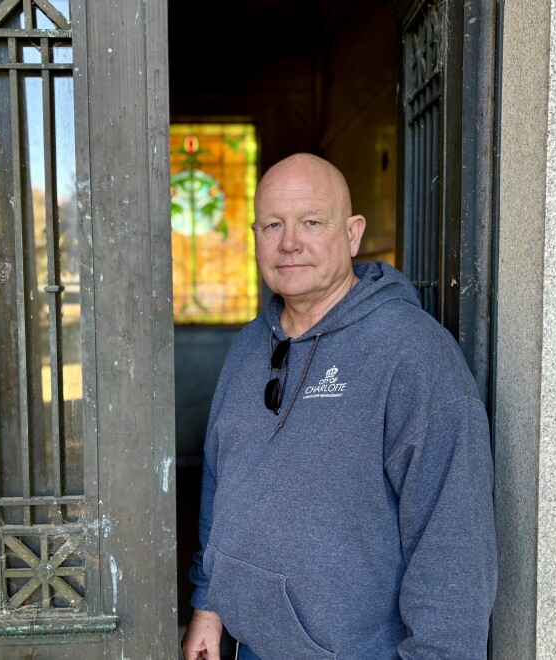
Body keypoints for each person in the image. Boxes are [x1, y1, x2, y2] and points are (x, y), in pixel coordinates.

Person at [182, 153, 497, 659]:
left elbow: (453, 546)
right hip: (248, 647)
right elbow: (222, 485)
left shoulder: (414, 354)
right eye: (272, 225)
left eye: (311, 222)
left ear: (352, 234)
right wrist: (208, 606)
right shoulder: (247, 347)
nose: (289, 242)